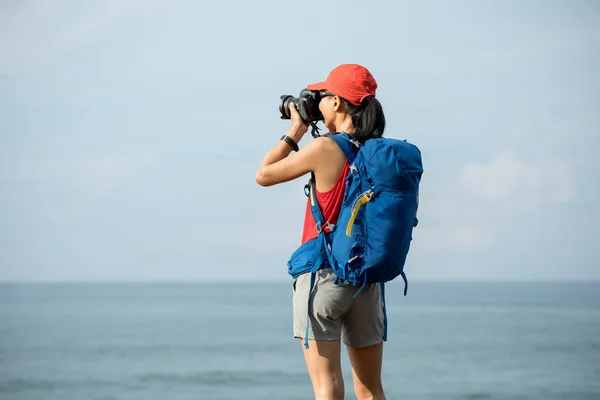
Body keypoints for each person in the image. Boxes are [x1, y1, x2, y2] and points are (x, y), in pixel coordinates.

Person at [255, 64, 388, 400]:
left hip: (324, 276)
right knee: (371, 390)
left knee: (326, 387)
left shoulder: (325, 148)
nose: (318, 102)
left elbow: (264, 174)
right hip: (366, 279)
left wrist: (296, 131)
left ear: (337, 104)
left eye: (324, 96)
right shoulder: (378, 153)